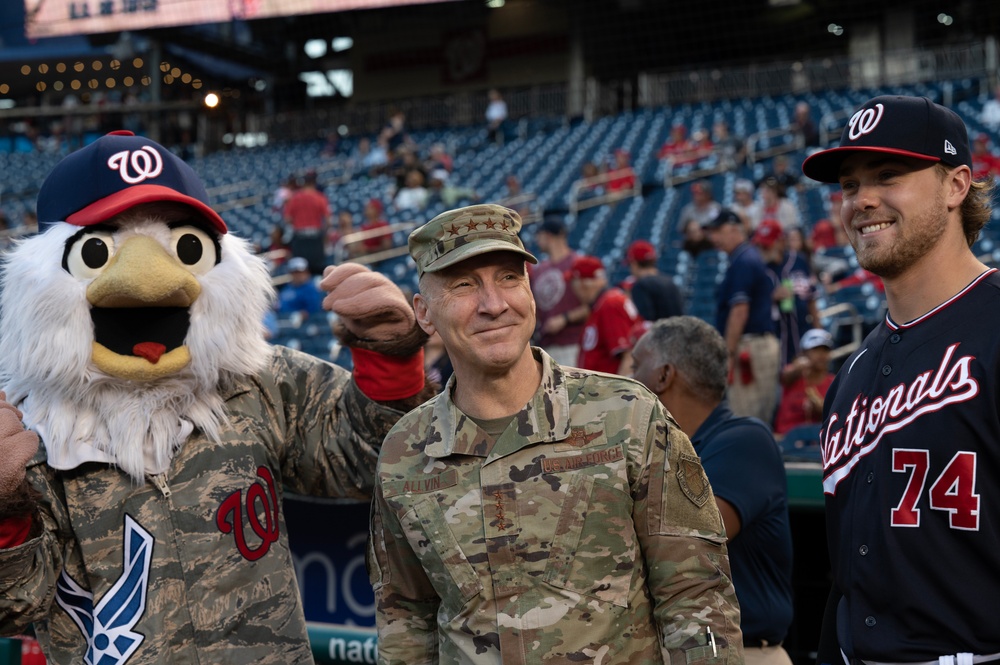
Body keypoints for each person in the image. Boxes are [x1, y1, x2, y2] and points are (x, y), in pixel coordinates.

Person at [0, 131, 432, 663]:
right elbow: (13, 606)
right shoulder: (26, 429)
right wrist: (5, 507)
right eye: (97, 248)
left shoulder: (259, 381)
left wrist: (389, 359)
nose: (150, 280)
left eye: (185, 246)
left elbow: (373, 461)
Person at [369, 203, 743, 664]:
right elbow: (405, 618)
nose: (493, 304)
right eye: (464, 285)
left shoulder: (628, 416)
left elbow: (695, 596)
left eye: (509, 277)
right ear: (424, 315)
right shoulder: (404, 452)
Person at [801, 95, 1000, 663]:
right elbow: (846, 578)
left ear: (956, 185)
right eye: (848, 184)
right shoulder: (851, 377)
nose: (862, 200)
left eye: (888, 175)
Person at [632, 316, 794, 665]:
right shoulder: (658, 447)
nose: (628, 379)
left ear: (663, 376)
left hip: (743, 652)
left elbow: (687, 541)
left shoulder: (744, 440)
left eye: (635, 366)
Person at [704, 208, 779, 424]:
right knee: (750, 418)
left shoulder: (744, 260)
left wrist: (728, 352)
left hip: (751, 347)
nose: (713, 237)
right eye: (711, 232)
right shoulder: (743, 258)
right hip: (754, 345)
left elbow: (739, 312)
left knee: (746, 419)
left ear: (735, 229)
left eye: (718, 231)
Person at [753, 219, 820, 367]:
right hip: (774, 339)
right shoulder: (758, 269)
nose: (764, 249)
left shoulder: (799, 260)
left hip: (803, 331)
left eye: (767, 244)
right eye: (761, 245)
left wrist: (818, 332)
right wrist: (771, 297)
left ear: (781, 241)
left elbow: (812, 300)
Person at [528, 215, 588, 365]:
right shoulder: (540, 269)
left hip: (572, 343)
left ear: (547, 235)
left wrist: (564, 318)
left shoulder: (577, 262)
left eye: (539, 236)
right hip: (546, 346)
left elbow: (592, 306)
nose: (537, 240)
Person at [570, 254, 643, 375]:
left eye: (573, 282)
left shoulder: (610, 304)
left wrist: (622, 393)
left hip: (609, 391)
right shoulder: (601, 304)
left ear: (582, 284)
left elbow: (630, 356)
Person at [773, 328, 835, 436]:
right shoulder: (794, 376)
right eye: (815, 350)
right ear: (804, 353)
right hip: (785, 439)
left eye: (825, 350)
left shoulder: (834, 382)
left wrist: (819, 407)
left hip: (816, 443)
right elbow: (784, 377)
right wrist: (797, 367)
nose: (821, 355)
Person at [282, 169, 331, 275]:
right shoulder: (320, 197)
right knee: (318, 270)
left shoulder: (294, 198)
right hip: (315, 237)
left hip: (300, 238)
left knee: (302, 270)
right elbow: (328, 221)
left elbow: (287, 219)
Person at [624, 239, 684, 322]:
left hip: (658, 334)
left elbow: (646, 321)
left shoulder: (641, 286)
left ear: (634, 264)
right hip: (677, 332)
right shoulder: (670, 282)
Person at [277, 256, 325, 322]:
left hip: (307, 325)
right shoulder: (286, 289)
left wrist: (302, 315)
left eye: (300, 272)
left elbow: (314, 310)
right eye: (295, 272)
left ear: (306, 272)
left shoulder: (312, 288)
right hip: (284, 322)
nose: (298, 275)